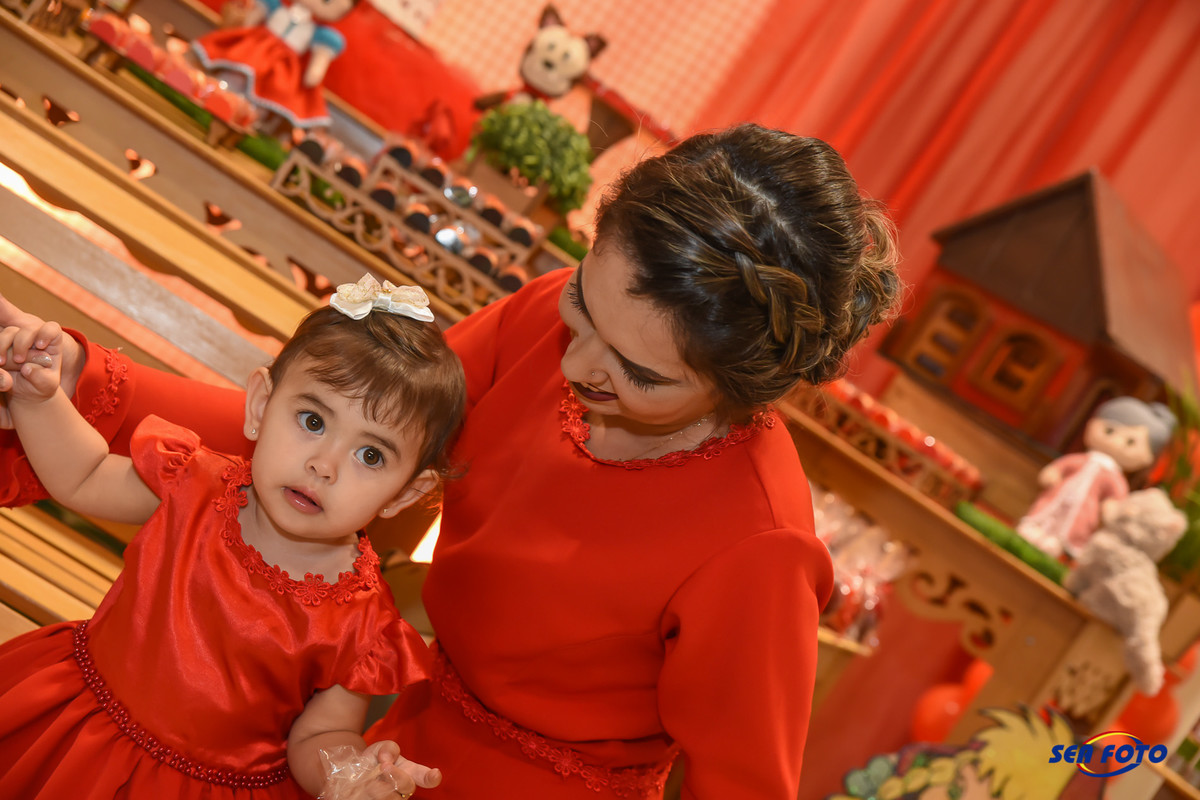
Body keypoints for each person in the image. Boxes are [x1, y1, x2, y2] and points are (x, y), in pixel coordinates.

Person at [0, 123, 900, 799]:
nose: (579, 365)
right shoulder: (546, 321)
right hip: (383, 743)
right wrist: (81, 378)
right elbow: (332, 444)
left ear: (741, 388)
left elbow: (743, 786)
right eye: (584, 307)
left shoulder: (759, 542)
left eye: (640, 375)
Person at [0, 277, 464, 799]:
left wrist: (351, 775)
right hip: (77, 727)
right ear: (261, 406)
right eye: (312, 420)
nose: (324, 465)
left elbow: (319, 736)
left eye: (370, 455)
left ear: (405, 493)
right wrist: (37, 399)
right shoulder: (193, 483)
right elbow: (83, 476)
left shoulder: (363, 625)